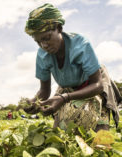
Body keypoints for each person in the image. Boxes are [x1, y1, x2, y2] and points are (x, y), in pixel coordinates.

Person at [23, 3, 121, 132]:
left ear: (59, 28)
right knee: (60, 131)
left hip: (92, 84)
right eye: (38, 41)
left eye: (47, 38)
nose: (44, 45)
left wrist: (65, 98)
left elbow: (98, 85)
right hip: (67, 87)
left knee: (99, 133)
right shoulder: (42, 56)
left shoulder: (80, 45)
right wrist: (34, 102)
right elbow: (44, 90)